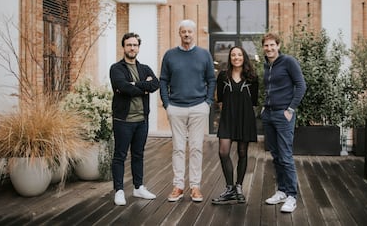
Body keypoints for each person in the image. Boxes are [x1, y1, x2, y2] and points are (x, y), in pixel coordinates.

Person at [160, 19, 216, 202]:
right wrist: (167, 104)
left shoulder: (204, 54)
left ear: (194, 33)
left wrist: (207, 102)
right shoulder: (170, 55)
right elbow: (163, 81)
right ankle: (178, 186)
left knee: (196, 148)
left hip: (199, 107)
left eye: (189, 32)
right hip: (176, 108)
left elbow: (211, 79)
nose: (186, 34)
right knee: (177, 148)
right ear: (179, 33)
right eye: (183, 31)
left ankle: (195, 187)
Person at [110, 32, 160, 206]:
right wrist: (142, 87)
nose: (132, 48)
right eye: (129, 45)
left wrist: (134, 85)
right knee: (120, 156)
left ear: (138, 47)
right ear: (123, 47)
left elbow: (155, 84)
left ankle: (138, 187)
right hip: (123, 121)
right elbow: (122, 87)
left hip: (141, 121)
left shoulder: (144, 68)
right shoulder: (116, 68)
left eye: (135, 45)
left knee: (138, 155)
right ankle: (119, 191)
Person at [261, 32, 306, 213]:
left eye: (272, 45)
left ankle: (292, 196)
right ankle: (281, 190)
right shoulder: (267, 65)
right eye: (266, 45)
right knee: (276, 155)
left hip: (283, 115)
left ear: (278, 45)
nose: (269, 48)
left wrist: (291, 109)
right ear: (263, 48)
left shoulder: (288, 62)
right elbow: (270, 88)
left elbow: (301, 85)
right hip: (269, 115)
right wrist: (265, 106)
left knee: (286, 156)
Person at [211, 46, 259, 205]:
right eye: (233, 55)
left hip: (245, 118)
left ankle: (238, 187)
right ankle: (230, 188)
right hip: (227, 118)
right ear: (230, 58)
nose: (236, 57)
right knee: (223, 152)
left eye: (239, 55)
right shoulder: (223, 76)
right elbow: (220, 100)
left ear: (243, 57)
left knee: (242, 152)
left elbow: (253, 101)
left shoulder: (252, 77)